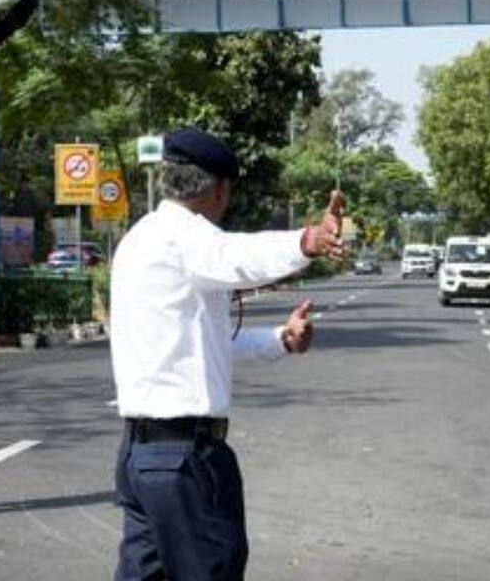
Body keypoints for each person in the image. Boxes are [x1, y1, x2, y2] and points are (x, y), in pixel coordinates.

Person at [109, 127, 346, 580]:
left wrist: (280, 338)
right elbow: (238, 255)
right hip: (184, 459)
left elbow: (203, 343)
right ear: (219, 189)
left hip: (140, 456)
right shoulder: (185, 236)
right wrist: (306, 241)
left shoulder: (139, 239)